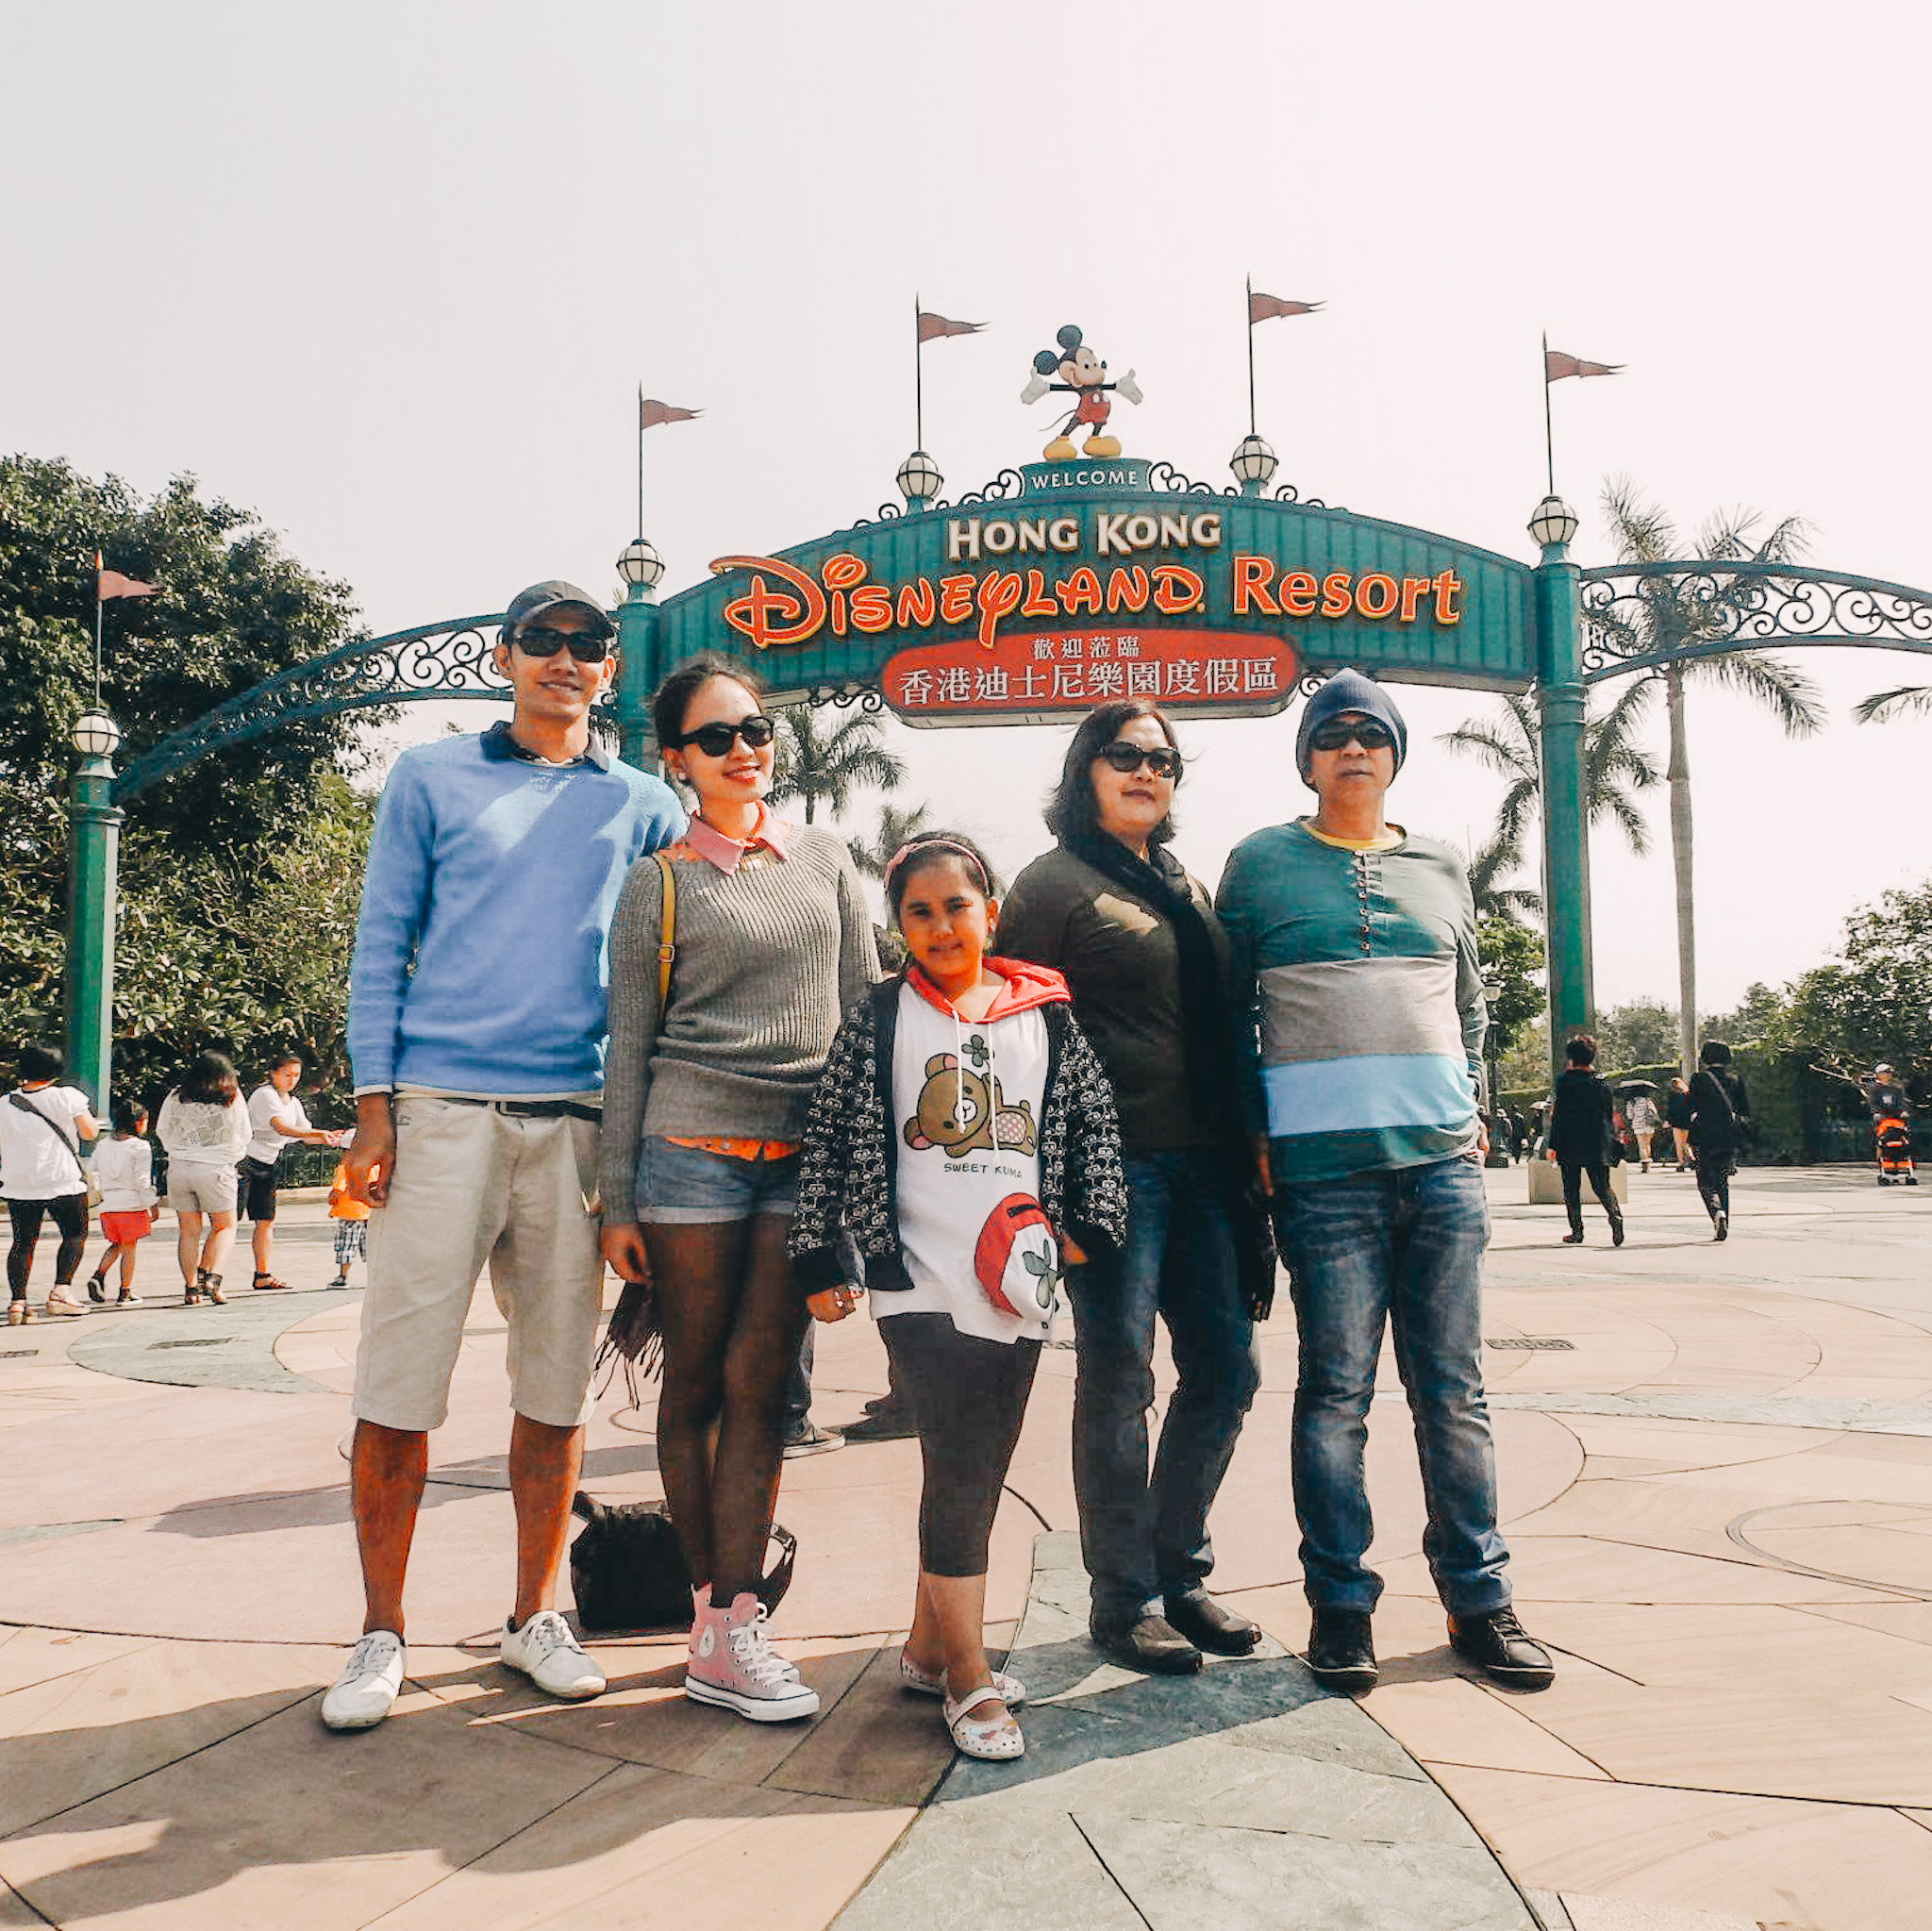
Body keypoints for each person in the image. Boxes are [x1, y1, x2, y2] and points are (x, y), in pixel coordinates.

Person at [324, 579, 684, 1734]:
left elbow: (680, 963)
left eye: (588, 646)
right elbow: (383, 938)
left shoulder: (642, 803)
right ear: (504, 656)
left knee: (552, 1387)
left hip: (576, 1117)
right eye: (544, 641)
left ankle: (535, 1615)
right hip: (441, 1109)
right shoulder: (431, 777)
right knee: (398, 1386)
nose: (564, 660)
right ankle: (381, 1630)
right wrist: (373, 1108)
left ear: (609, 670)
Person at [1217, 668, 1553, 1695]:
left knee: (1452, 1392)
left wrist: (1470, 1112)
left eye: (1370, 735)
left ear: (1393, 754)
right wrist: (1251, 1131)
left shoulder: (1441, 868)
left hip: (1440, 1171)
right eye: (1331, 736)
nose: (1351, 749)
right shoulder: (1260, 865)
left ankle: (1478, 1599)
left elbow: (1470, 1006)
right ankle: (1340, 1606)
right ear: (1306, 758)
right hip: (1322, 1181)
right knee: (1333, 1395)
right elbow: (1229, 1015)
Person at [792, 832, 1127, 1760]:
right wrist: (824, 1259)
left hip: (1017, 1277)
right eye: (918, 910)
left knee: (971, 1456)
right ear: (897, 925)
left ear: (990, 909)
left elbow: (1092, 1118)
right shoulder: (880, 1015)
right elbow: (829, 1131)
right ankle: (969, 1679)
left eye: (956, 905)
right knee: (965, 1460)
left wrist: (1084, 1226)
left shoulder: (1044, 1013)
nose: (940, 925)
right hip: (920, 1274)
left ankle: (926, 1646)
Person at [599, 654, 877, 1723]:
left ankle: (737, 1621)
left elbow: (860, 1015)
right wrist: (616, 1197)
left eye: (754, 729)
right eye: (714, 737)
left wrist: (854, 1183)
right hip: (688, 1152)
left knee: (767, 1389)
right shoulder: (658, 880)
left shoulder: (826, 859)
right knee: (698, 1387)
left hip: (800, 1157)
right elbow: (629, 1046)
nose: (743, 750)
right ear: (676, 759)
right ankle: (714, 1617)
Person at [1000, 699, 1264, 1673]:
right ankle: (1122, 1598)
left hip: (1206, 1167)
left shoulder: (1185, 885)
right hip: (1108, 1170)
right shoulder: (1050, 884)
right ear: (1085, 770)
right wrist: (1044, 1176)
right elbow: (1010, 1034)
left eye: (1162, 759)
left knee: (1227, 1371)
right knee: (1118, 1378)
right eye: (1123, 755)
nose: (1145, 770)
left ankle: (1177, 1572)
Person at [2, 1041, 103, 1323]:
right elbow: (89, 1133)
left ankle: (18, 1303)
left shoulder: (5, 1103)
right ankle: (61, 1292)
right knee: (74, 1235)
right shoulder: (67, 1097)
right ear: (55, 1069)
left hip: (19, 1182)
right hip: (62, 1180)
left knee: (23, 1243)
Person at [157, 1050, 251, 1305]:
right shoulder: (231, 1096)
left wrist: (179, 1150)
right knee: (225, 1226)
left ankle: (191, 1288)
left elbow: (162, 1129)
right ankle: (213, 1278)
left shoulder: (177, 1096)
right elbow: (244, 1132)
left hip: (179, 1168)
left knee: (188, 1232)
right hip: (216, 1168)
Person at [240, 1053, 333, 1290]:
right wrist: (319, 1134)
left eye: (296, 1075)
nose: (292, 1080)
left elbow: (307, 1135)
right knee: (228, 1222)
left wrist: (335, 1137)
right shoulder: (265, 1095)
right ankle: (209, 1274)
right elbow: (281, 1128)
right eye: (287, 1075)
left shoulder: (293, 1103)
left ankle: (262, 1274)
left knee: (265, 1221)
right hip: (245, 1162)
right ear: (273, 1074)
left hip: (268, 1165)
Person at [1546, 1035, 1624, 1246]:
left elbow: (1558, 1116)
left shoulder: (1564, 1082)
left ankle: (1577, 1231)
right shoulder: (1602, 1082)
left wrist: (1552, 1144)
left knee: (1571, 1188)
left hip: (1570, 1141)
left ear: (1570, 1057)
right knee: (1602, 1186)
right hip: (1597, 1140)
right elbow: (1608, 1115)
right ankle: (1615, 1216)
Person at [83, 1098, 160, 1306]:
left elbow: (93, 1172)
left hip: (109, 1204)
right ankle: (125, 1291)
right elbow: (142, 1180)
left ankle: (98, 1275)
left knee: (118, 1243)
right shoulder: (140, 1147)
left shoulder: (103, 1145)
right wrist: (151, 1203)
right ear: (137, 1122)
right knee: (129, 1249)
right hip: (131, 1203)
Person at [1688, 1040, 1750, 1241]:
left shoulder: (1699, 1079)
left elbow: (1690, 1106)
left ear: (1705, 1057)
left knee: (1705, 1180)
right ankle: (1725, 1222)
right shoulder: (1735, 1079)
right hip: (1728, 1137)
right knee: (1723, 1180)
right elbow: (1744, 1109)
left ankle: (1716, 1213)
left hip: (1704, 1136)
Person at [326, 1157, 370, 1288]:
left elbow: (337, 1192)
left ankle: (343, 1277)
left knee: (346, 1246)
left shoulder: (345, 1169)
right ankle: (376, 1276)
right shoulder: (372, 1167)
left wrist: (331, 1200)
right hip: (368, 1213)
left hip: (349, 1214)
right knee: (370, 1247)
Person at [1625, 1089, 1659, 1173]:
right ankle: (1648, 1161)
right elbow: (1654, 1111)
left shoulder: (1631, 1102)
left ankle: (1644, 1162)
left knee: (1641, 1145)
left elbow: (1629, 1116)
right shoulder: (1648, 1100)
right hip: (1649, 1124)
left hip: (1638, 1125)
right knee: (1647, 1144)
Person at [1665, 1076, 1692, 1171]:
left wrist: (1668, 1120)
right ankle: (1691, 1158)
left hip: (1676, 1122)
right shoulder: (1687, 1095)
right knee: (1686, 1142)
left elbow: (1670, 1110)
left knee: (1679, 1143)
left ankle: (1681, 1163)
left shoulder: (1672, 1096)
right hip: (1686, 1121)